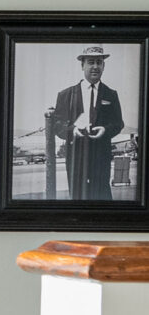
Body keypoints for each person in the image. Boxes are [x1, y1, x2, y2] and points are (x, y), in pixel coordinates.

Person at [46, 45, 123, 200]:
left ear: (103, 66)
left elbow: (118, 123)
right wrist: (72, 130)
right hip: (76, 156)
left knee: (102, 197)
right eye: (90, 62)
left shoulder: (111, 94)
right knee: (77, 198)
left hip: (101, 155)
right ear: (82, 65)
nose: (95, 66)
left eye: (99, 62)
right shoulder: (66, 95)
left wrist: (105, 130)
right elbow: (57, 126)